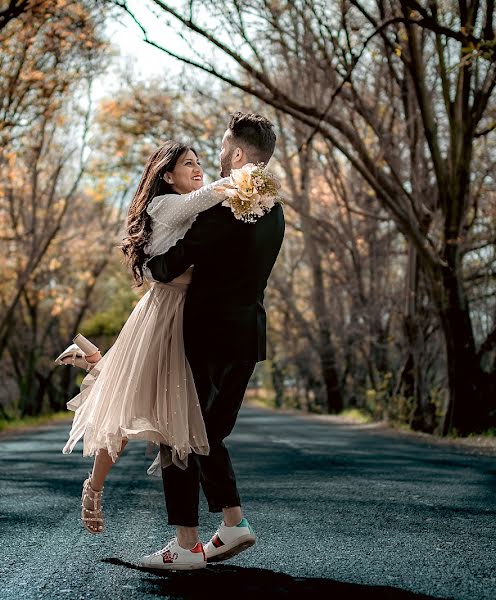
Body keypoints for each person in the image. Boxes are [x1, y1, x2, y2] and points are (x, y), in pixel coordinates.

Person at [57, 141, 233, 535]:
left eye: (200, 162)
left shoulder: (196, 209)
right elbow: (211, 194)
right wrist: (247, 178)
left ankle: (95, 362)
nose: (198, 168)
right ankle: (94, 487)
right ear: (167, 176)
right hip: (162, 314)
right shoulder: (166, 204)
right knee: (123, 413)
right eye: (189, 163)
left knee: (172, 412)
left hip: (189, 312)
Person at [140, 112, 285, 570]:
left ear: (239, 154)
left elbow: (167, 266)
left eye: (223, 147)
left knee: (177, 431)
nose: (218, 155)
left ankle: (185, 547)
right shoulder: (274, 209)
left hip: (204, 333)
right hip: (248, 336)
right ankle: (232, 524)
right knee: (208, 434)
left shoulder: (224, 209)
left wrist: (147, 257)